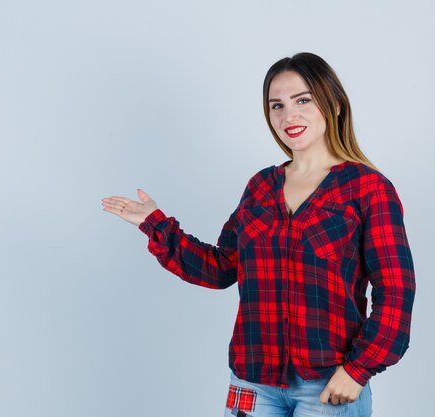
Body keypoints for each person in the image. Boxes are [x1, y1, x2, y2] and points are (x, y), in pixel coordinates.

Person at [101, 52, 415, 417]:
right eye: (277, 105)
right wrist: (154, 223)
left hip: (329, 385)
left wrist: (358, 370)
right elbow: (221, 267)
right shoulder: (261, 186)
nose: (288, 116)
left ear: (335, 104)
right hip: (252, 382)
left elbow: (396, 289)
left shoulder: (368, 189)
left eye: (303, 100)